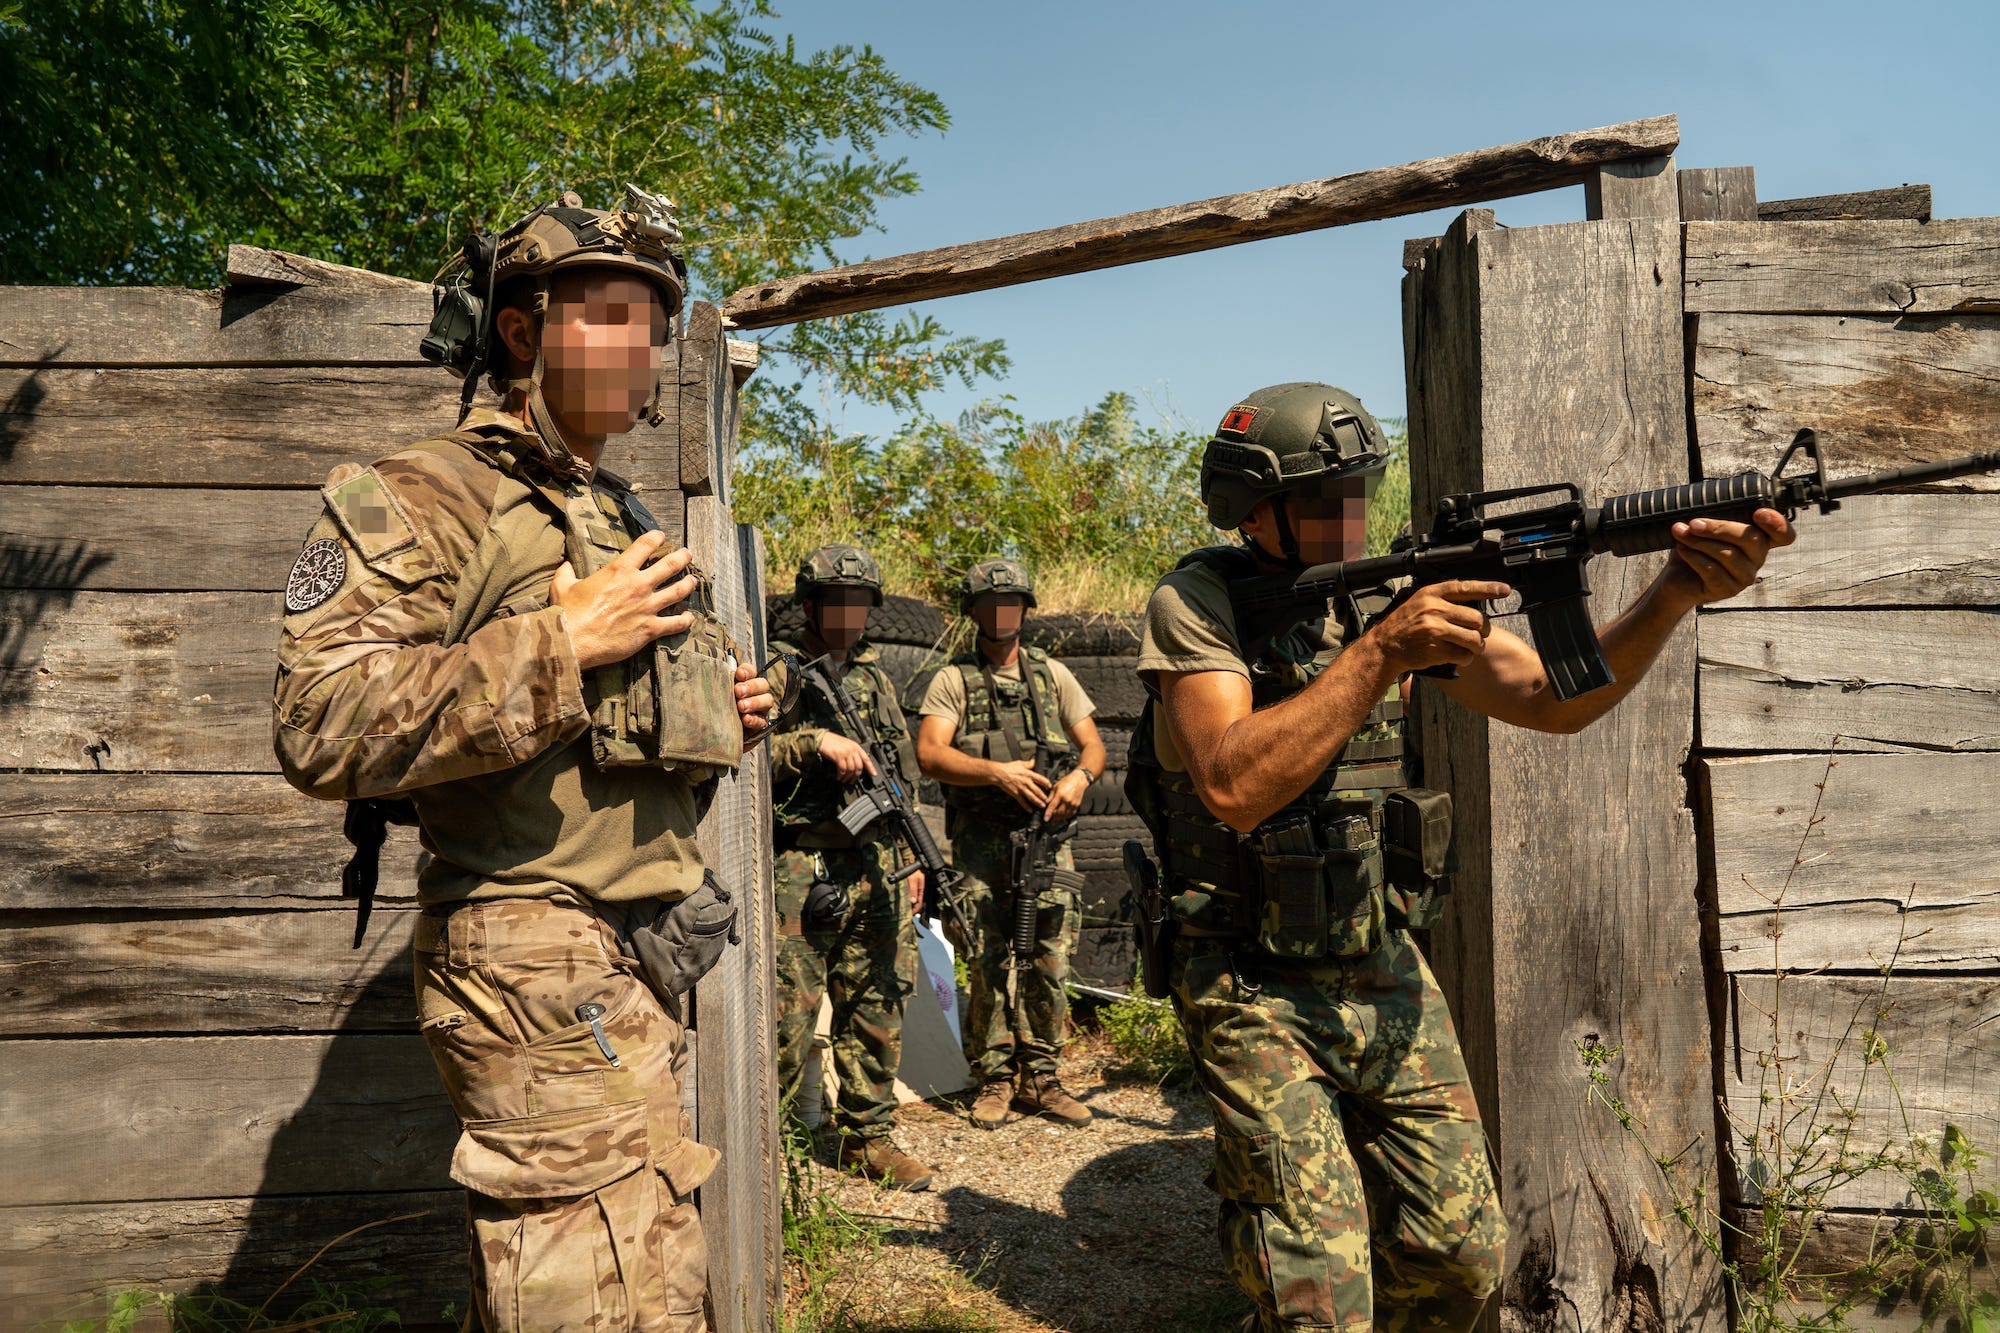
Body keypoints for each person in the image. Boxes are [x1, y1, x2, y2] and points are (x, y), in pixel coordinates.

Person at [1128, 382, 1795, 1333]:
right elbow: (1234, 783)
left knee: (1460, 1252)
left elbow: (1556, 696)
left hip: (1377, 957)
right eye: (1324, 497)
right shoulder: (1196, 602)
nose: (1350, 516)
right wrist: (1378, 656)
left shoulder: (1379, 599)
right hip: (1247, 973)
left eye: (1358, 489)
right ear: (1254, 511)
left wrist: (1678, 588)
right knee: (1314, 1287)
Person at [272, 189, 775, 1333]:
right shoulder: (428, 491)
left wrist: (718, 712)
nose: (643, 344)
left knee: (629, 1278)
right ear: (521, 330)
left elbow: (607, 739)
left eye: (657, 320)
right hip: (530, 952)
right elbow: (320, 720)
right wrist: (562, 640)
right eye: (610, 315)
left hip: (630, 959)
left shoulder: (610, 509)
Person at [914, 558, 1109, 1130]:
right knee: (987, 961)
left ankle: (1043, 1079)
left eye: (1012, 603)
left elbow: (1093, 746)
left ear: (1025, 609)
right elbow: (930, 754)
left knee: (1050, 962)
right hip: (982, 844)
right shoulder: (954, 678)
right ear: (972, 612)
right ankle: (995, 1079)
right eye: (990, 604)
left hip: (1047, 845)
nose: (1002, 613)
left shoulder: (1052, 676)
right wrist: (998, 773)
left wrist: (1079, 778)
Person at [766, 542, 937, 1190]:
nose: (851, 613)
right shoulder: (782, 670)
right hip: (802, 862)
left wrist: (913, 855)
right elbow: (743, 745)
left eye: (860, 601)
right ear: (810, 605)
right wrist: (815, 741)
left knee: (877, 998)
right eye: (838, 600)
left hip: (876, 859)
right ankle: (779, 1147)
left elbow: (899, 771)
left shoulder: (874, 678)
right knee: (790, 1009)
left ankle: (869, 1136)